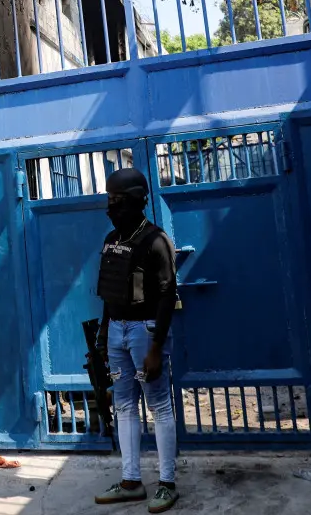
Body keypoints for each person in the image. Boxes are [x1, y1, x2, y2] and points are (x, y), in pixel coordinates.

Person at [93, 167, 179, 513]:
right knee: (125, 405)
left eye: (116, 201)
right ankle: (131, 481)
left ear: (135, 202)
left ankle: (167, 484)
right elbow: (109, 292)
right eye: (109, 201)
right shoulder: (111, 239)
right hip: (116, 329)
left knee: (159, 405)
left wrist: (156, 347)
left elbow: (167, 296)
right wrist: (103, 333)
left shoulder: (156, 241)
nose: (110, 209)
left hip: (145, 331)